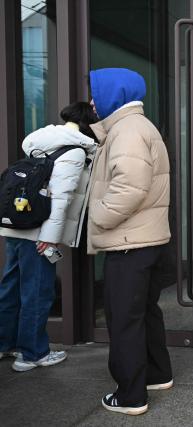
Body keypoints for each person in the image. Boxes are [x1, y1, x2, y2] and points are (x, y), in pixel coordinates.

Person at [87, 68, 172, 416]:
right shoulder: (139, 126)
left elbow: (130, 187)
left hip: (128, 242)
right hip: (146, 239)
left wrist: (99, 217)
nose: (92, 102)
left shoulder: (126, 130)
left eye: (96, 93)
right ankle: (157, 374)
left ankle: (130, 396)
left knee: (124, 320)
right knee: (145, 313)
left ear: (114, 93)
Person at [0, 102, 98, 372]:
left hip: (17, 225)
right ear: (88, 124)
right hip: (40, 232)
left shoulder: (41, 139)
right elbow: (62, 197)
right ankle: (32, 354)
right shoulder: (75, 150)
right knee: (38, 291)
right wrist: (51, 238)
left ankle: (4, 343)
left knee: (11, 286)